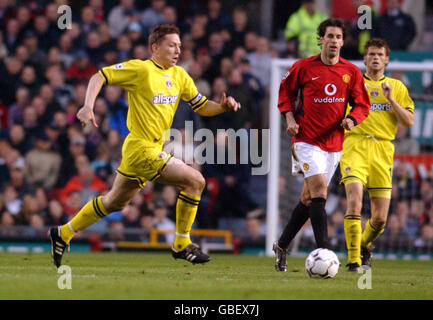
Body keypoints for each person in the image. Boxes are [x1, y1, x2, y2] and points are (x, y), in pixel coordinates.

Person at [48, 24, 241, 268]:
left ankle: (64, 233)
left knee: (114, 203)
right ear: (155, 47)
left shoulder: (180, 75)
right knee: (196, 181)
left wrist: (222, 106)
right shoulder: (141, 70)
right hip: (141, 149)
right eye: (171, 45)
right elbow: (100, 76)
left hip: (148, 150)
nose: (177, 50)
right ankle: (181, 244)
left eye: (179, 46)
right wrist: (88, 106)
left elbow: (201, 105)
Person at [273, 18, 370, 272]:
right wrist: (290, 118)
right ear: (321, 39)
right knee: (319, 191)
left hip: (334, 145)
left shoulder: (351, 72)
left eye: (339, 37)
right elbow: (285, 93)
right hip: (306, 140)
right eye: (330, 37)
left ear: (342, 41)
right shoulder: (303, 68)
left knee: (308, 199)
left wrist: (352, 118)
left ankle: (282, 245)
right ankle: (324, 252)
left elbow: (363, 105)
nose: (335, 42)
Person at [341, 38, 415, 271]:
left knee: (380, 218)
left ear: (386, 59)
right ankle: (353, 260)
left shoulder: (397, 87)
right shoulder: (352, 83)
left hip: (383, 150)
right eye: (371, 54)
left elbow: (409, 122)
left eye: (379, 54)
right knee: (353, 201)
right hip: (356, 146)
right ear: (364, 59)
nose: (375, 58)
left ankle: (363, 245)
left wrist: (390, 99)